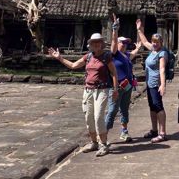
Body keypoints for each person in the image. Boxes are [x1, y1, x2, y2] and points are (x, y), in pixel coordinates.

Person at [48, 33, 118, 157]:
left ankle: (103, 144)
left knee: (98, 117)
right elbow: (74, 65)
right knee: (89, 117)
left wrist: (115, 89)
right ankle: (94, 142)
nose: (96, 44)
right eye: (93, 42)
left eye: (98, 42)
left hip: (102, 90)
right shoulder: (88, 57)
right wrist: (59, 58)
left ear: (101, 43)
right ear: (90, 45)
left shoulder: (106, 56)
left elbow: (113, 73)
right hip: (88, 90)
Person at [105, 14, 141, 143]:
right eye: (123, 42)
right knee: (112, 110)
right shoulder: (113, 54)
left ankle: (124, 132)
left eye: (126, 43)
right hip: (116, 87)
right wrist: (115, 29)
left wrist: (138, 46)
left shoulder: (125, 55)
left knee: (125, 110)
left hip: (128, 86)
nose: (125, 45)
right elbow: (114, 42)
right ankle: (104, 135)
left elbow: (134, 53)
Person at [136, 18, 168, 143]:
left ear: (161, 42)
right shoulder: (153, 50)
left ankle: (163, 133)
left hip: (156, 84)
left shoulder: (162, 53)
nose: (154, 44)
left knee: (158, 107)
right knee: (152, 107)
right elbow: (144, 41)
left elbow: (162, 69)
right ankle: (154, 130)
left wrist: (163, 85)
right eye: (153, 41)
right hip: (149, 84)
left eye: (157, 42)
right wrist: (139, 29)